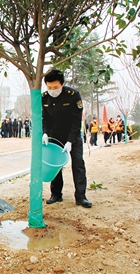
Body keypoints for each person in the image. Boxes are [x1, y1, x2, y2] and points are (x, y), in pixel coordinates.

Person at [42, 69, 92, 208]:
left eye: (56, 87)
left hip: (73, 136)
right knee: (55, 166)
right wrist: (45, 133)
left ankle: (81, 197)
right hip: (54, 136)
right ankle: (56, 194)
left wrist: (70, 141)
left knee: (78, 164)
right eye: (49, 87)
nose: (52, 90)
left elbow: (76, 121)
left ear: (62, 84)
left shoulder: (73, 95)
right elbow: (45, 118)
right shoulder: (44, 97)